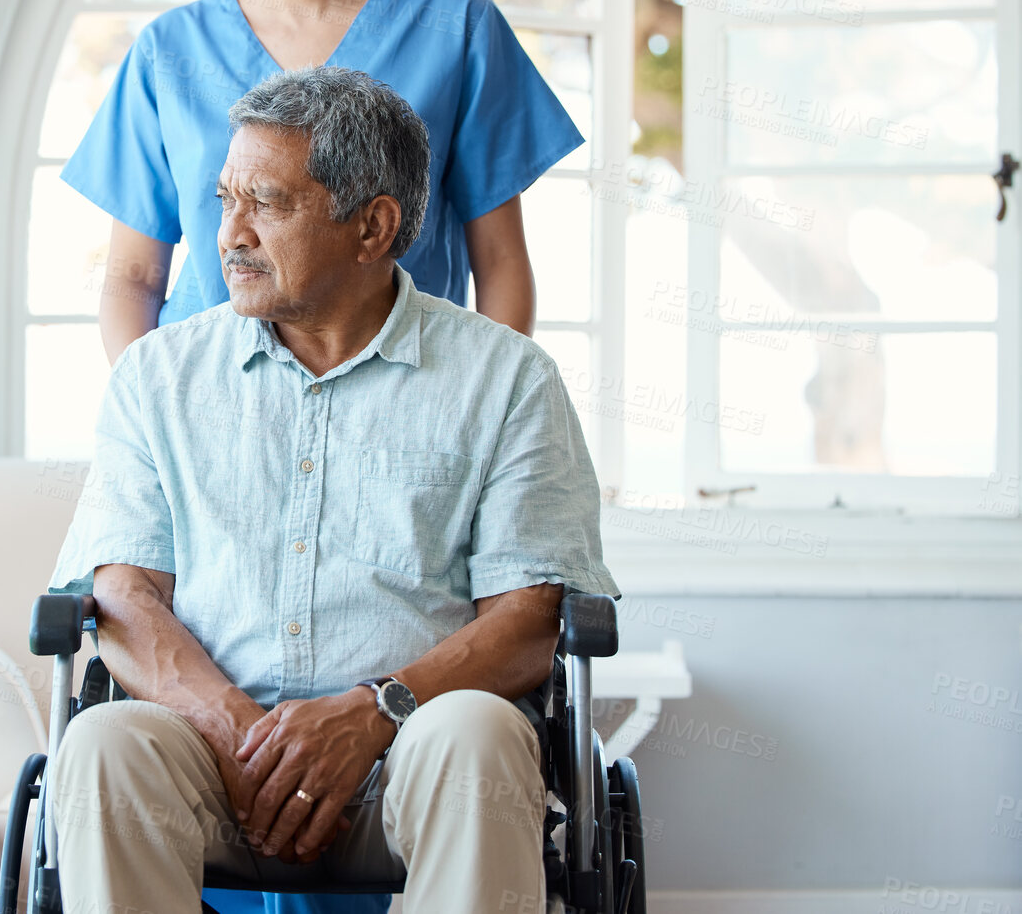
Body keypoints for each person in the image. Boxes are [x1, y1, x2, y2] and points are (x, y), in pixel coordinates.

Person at [45, 66, 618, 914]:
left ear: (372, 225)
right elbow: (122, 595)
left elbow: (531, 613)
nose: (227, 233)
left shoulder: (504, 379)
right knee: (101, 746)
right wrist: (241, 730)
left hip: (410, 749)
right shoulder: (157, 376)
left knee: (480, 733)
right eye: (223, 198)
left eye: (267, 203)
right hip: (211, 752)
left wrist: (375, 710)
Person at [62, 0, 585, 373]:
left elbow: (499, 260)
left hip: (410, 389)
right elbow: (132, 276)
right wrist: (153, 412)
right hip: (212, 398)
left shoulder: (459, 27)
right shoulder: (170, 46)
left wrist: (482, 403)